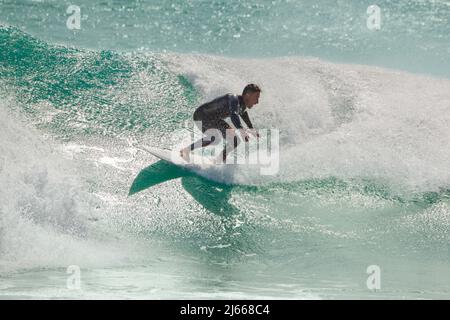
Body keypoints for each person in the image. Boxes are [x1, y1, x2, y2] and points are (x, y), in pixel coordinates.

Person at [180, 84, 261, 163]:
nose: (257, 102)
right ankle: (216, 159)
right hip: (202, 115)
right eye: (256, 97)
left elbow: (243, 113)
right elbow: (234, 114)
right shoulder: (233, 99)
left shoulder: (241, 104)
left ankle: (188, 151)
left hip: (212, 119)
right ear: (248, 95)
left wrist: (251, 128)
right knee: (225, 139)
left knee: (229, 140)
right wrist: (241, 130)